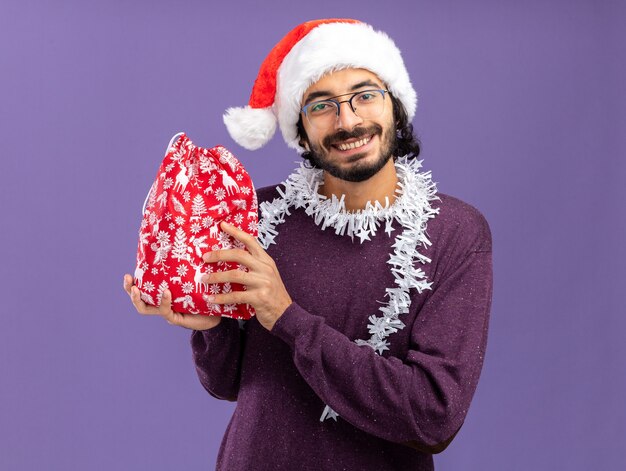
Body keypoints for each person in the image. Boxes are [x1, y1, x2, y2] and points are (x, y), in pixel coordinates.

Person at [123, 18, 492, 471]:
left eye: (365, 95)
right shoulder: (258, 214)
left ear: (395, 104)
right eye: (322, 106)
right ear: (300, 128)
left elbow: (433, 416)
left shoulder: (454, 233)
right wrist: (211, 325)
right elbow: (231, 383)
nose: (348, 120)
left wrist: (287, 317)